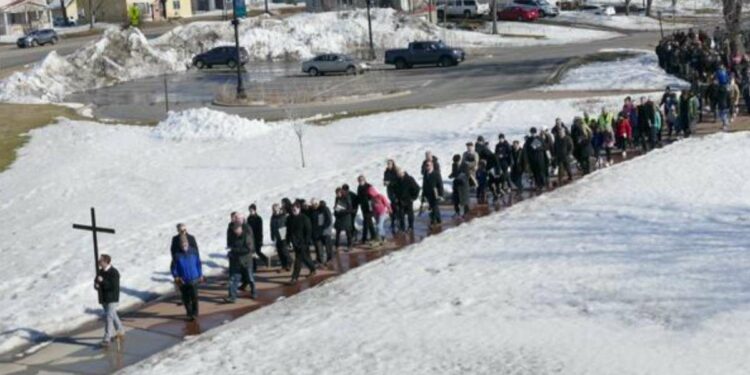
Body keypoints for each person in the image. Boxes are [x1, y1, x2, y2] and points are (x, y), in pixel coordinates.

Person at [171, 236, 204, 321]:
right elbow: (173, 268)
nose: (184, 246)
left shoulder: (194, 252)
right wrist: (176, 277)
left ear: (188, 243)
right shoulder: (177, 255)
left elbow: (198, 264)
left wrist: (200, 274)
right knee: (186, 299)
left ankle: (195, 313)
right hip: (183, 281)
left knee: (194, 297)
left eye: (185, 244)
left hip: (194, 278)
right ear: (180, 245)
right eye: (182, 244)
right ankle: (189, 313)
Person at [94, 254, 123, 346]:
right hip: (104, 298)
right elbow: (96, 281)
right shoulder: (100, 272)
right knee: (113, 315)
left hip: (112, 298)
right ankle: (120, 330)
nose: (99, 261)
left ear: (106, 262)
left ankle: (107, 338)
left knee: (109, 317)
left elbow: (113, 286)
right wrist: (96, 285)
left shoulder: (114, 272)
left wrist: (102, 281)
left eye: (101, 260)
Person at [225, 222, 255, 302]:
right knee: (233, 279)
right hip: (236, 262)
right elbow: (233, 247)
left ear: (240, 229)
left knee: (250, 278)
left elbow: (248, 249)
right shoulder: (234, 237)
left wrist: (235, 250)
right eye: (234, 230)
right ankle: (232, 297)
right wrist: (230, 252)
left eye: (236, 229)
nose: (235, 231)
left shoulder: (247, 236)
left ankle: (254, 292)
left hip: (246, 262)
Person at [287, 203, 316, 282]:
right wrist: (287, 241)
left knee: (298, 260)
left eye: (295, 209)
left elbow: (308, 231)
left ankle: (294, 277)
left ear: (299, 209)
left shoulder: (304, 218)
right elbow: (288, 231)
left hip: (303, 242)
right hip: (295, 243)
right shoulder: (290, 218)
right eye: (292, 209)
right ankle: (313, 268)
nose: (293, 211)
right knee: (305, 258)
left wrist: (306, 242)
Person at [226, 212, 252, 291]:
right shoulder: (230, 226)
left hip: (243, 252)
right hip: (233, 251)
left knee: (244, 270)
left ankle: (247, 284)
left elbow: (250, 240)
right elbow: (229, 237)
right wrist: (229, 246)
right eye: (232, 218)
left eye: (235, 218)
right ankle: (232, 289)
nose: (233, 219)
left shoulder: (245, 227)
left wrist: (252, 250)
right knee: (233, 270)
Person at [392, 168, 420, 232]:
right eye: (397, 173)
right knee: (401, 215)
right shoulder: (397, 180)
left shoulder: (409, 179)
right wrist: (395, 197)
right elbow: (394, 189)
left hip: (408, 200)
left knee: (410, 214)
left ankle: (410, 227)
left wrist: (413, 197)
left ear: (403, 172)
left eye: (399, 173)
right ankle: (402, 227)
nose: (398, 174)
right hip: (400, 201)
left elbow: (417, 188)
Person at [311, 198, 334, 264]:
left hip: (325, 231)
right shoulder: (313, 211)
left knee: (328, 246)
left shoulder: (324, 209)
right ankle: (320, 259)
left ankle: (330, 258)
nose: (314, 206)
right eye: (313, 205)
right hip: (317, 232)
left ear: (318, 203)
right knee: (319, 246)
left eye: (315, 204)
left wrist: (323, 228)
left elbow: (328, 220)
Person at [356, 175, 378, 243]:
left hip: (369, 206)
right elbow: (359, 197)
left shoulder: (368, 186)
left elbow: (374, 195)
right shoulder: (359, 187)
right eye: (359, 180)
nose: (361, 181)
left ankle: (364, 238)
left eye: (362, 180)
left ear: (365, 180)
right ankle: (373, 236)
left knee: (366, 221)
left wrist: (373, 203)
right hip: (363, 207)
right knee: (369, 222)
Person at [270, 203, 292, 271]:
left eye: (276, 208)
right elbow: (271, 226)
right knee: (279, 251)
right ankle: (283, 265)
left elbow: (288, 225)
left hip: (283, 233)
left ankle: (289, 263)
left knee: (284, 250)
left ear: (279, 208)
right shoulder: (273, 217)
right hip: (277, 234)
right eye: (273, 209)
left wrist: (288, 235)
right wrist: (272, 235)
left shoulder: (283, 215)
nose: (275, 210)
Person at [422, 160, 444, 226]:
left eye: (428, 165)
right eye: (426, 165)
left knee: (434, 207)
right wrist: (424, 194)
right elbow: (424, 184)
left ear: (432, 166)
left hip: (435, 193)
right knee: (432, 207)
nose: (427, 167)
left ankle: (433, 221)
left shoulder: (436, 174)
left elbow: (440, 184)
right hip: (428, 193)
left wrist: (441, 195)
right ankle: (438, 219)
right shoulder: (426, 173)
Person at [246, 204, 268, 269]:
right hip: (251, 238)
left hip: (257, 237)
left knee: (258, 251)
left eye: (252, 210)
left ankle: (265, 259)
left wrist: (260, 239)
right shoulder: (249, 218)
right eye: (249, 210)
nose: (250, 212)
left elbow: (260, 230)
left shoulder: (258, 218)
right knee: (252, 252)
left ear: (255, 210)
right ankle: (254, 267)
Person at [383, 159, 399, 234]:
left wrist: (390, 183)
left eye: (390, 164)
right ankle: (393, 219)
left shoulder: (395, 171)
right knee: (392, 205)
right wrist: (385, 182)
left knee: (395, 205)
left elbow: (397, 181)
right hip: (389, 191)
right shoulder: (386, 171)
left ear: (393, 164)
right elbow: (385, 179)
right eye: (388, 164)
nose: (389, 165)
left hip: (395, 191)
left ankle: (396, 220)